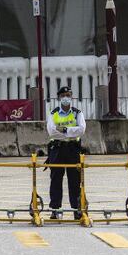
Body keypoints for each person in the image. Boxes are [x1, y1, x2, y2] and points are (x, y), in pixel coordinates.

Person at [46, 86, 86, 219]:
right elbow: (51, 131)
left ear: (71, 97)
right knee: (55, 180)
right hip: (57, 149)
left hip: (72, 149)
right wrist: (70, 131)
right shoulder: (53, 113)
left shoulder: (77, 113)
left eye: (68, 95)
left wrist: (63, 130)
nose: (65, 98)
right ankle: (55, 209)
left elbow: (81, 130)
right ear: (59, 97)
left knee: (74, 180)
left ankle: (76, 209)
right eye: (63, 95)